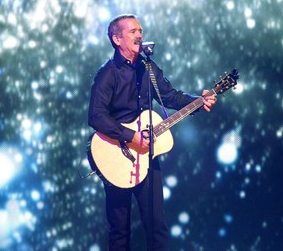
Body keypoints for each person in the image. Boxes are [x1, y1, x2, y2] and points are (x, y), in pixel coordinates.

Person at [87, 14, 217, 251]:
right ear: (117, 39)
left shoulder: (148, 67)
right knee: (119, 231)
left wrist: (199, 100)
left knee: (156, 225)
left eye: (141, 30)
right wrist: (130, 136)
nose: (139, 34)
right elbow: (96, 116)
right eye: (133, 31)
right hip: (116, 153)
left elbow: (170, 96)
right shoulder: (107, 74)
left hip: (147, 156)